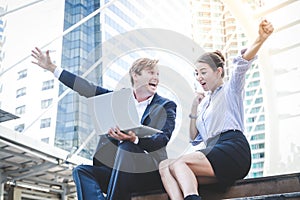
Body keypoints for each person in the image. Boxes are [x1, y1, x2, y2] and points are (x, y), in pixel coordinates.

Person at [31, 49, 177, 200]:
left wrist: (134, 140)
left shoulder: (166, 106)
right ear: (136, 75)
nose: (156, 78)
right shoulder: (116, 100)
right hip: (117, 173)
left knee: (127, 147)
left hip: (147, 173)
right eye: (151, 72)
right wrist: (52, 68)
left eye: (158, 74)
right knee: (81, 171)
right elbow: (86, 88)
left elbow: (162, 140)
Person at [159, 19, 274, 200]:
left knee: (180, 162)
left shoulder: (231, 89)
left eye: (203, 72)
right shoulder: (204, 104)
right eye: (196, 73)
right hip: (212, 152)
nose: (199, 77)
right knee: (165, 166)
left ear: (218, 71)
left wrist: (260, 38)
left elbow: (242, 65)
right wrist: (194, 108)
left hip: (232, 149)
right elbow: (194, 139)